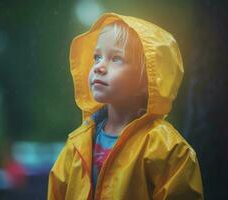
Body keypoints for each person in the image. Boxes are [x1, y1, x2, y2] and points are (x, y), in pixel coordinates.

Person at [48, 12, 204, 200]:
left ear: (148, 79)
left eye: (115, 59)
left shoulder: (167, 150)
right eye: (97, 57)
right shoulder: (78, 143)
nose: (99, 67)